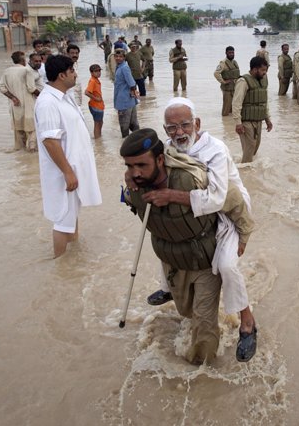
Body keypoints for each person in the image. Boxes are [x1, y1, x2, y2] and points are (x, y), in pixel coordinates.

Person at [142, 97, 259, 362]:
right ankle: (168, 288)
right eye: (172, 128)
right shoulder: (167, 150)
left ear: (196, 123)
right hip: (192, 215)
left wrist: (171, 196)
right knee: (166, 234)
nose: (179, 133)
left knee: (227, 266)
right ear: (165, 130)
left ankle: (248, 322)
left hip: (228, 212)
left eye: (184, 125)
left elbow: (217, 198)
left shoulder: (215, 150)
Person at [120, 129, 223, 365]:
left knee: (204, 326)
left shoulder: (190, 179)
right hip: (173, 262)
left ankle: (202, 379)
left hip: (205, 259)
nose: (135, 173)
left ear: (159, 160)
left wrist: (242, 240)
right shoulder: (135, 185)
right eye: (129, 166)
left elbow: (230, 201)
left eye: (141, 165)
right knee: (186, 311)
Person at [34, 55, 102, 258]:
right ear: (61, 75)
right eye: (72, 71)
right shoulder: (47, 103)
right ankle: (61, 266)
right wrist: (67, 172)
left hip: (73, 168)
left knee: (72, 215)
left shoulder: (66, 96)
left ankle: (74, 257)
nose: (75, 74)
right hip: (64, 171)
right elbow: (50, 141)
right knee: (63, 218)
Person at [232, 56, 273, 163]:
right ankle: (245, 173)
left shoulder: (262, 81)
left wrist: (267, 119)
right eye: (263, 70)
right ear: (255, 69)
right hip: (246, 122)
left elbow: (264, 102)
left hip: (258, 120)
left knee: (255, 148)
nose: (265, 73)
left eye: (266, 70)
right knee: (249, 148)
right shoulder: (243, 81)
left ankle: (248, 170)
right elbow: (236, 103)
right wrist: (238, 123)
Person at [0, 51, 38, 152]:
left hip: (15, 106)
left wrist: (13, 98)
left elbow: (1, 87)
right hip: (29, 105)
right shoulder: (27, 71)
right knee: (33, 128)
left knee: (19, 131)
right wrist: (43, 95)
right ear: (23, 60)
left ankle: (21, 155)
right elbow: (32, 88)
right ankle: (32, 151)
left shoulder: (6, 71)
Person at [113, 49, 140, 138]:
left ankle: (125, 144)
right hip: (129, 100)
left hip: (124, 102)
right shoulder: (120, 67)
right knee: (134, 124)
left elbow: (131, 83)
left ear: (124, 57)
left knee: (124, 126)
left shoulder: (124, 67)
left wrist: (134, 92)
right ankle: (138, 140)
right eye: (116, 56)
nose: (118, 58)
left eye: (120, 56)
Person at [213, 46, 240, 117]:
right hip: (227, 89)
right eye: (229, 53)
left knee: (234, 107)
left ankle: (230, 124)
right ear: (226, 53)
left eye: (232, 53)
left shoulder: (235, 62)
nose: (231, 54)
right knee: (226, 108)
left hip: (235, 88)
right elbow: (216, 73)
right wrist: (223, 82)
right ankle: (224, 122)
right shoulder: (223, 63)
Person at [84, 64, 104, 139]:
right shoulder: (92, 81)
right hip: (95, 106)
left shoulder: (96, 80)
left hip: (98, 105)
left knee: (100, 122)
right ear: (91, 73)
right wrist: (96, 99)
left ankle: (99, 138)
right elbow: (86, 92)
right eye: (96, 71)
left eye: (99, 71)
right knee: (97, 123)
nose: (98, 72)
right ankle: (97, 139)